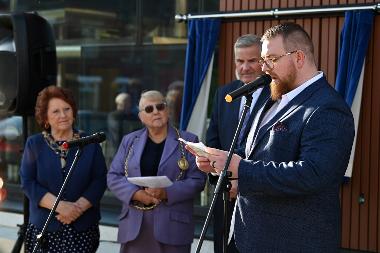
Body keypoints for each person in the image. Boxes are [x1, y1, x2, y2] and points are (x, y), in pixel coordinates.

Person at [192, 23, 355, 252]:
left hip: (291, 243)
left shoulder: (327, 108)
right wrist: (221, 161)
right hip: (245, 237)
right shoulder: (273, 97)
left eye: (271, 59)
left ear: (299, 57)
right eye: (263, 60)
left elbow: (313, 174)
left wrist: (242, 170)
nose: (264, 67)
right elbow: (249, 152)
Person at [107, 90, 206, 253]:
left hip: (173, 228)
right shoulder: (130, 140)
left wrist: (166, 192)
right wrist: (136, 195)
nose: (156, 112)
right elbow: (113, 176)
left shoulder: (189, 141)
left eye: (160, 106)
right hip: (135, 228)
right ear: (141, 117)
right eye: (149, 109)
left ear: (167, 110)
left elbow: (198, 180)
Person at [20, 86, 107, 253]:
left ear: (73, 112)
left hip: (82, 229)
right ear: (45, 117)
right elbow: (27, 182)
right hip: (44, 229)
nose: (63, 115)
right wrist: (60, 207)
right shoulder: (34, 144)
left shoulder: (90, 143)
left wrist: (77, 209)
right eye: (56, 111)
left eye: (67, 109)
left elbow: (100, 180)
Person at [206, 34, 270, 253]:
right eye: (239, 61)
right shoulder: (224, 93)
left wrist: (241, 179)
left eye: (251, 61)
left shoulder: (277, 95)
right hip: (224, 193)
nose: (245, 67)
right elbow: (213, 139)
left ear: (263, 61)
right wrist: (221, 177)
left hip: (259, 196)